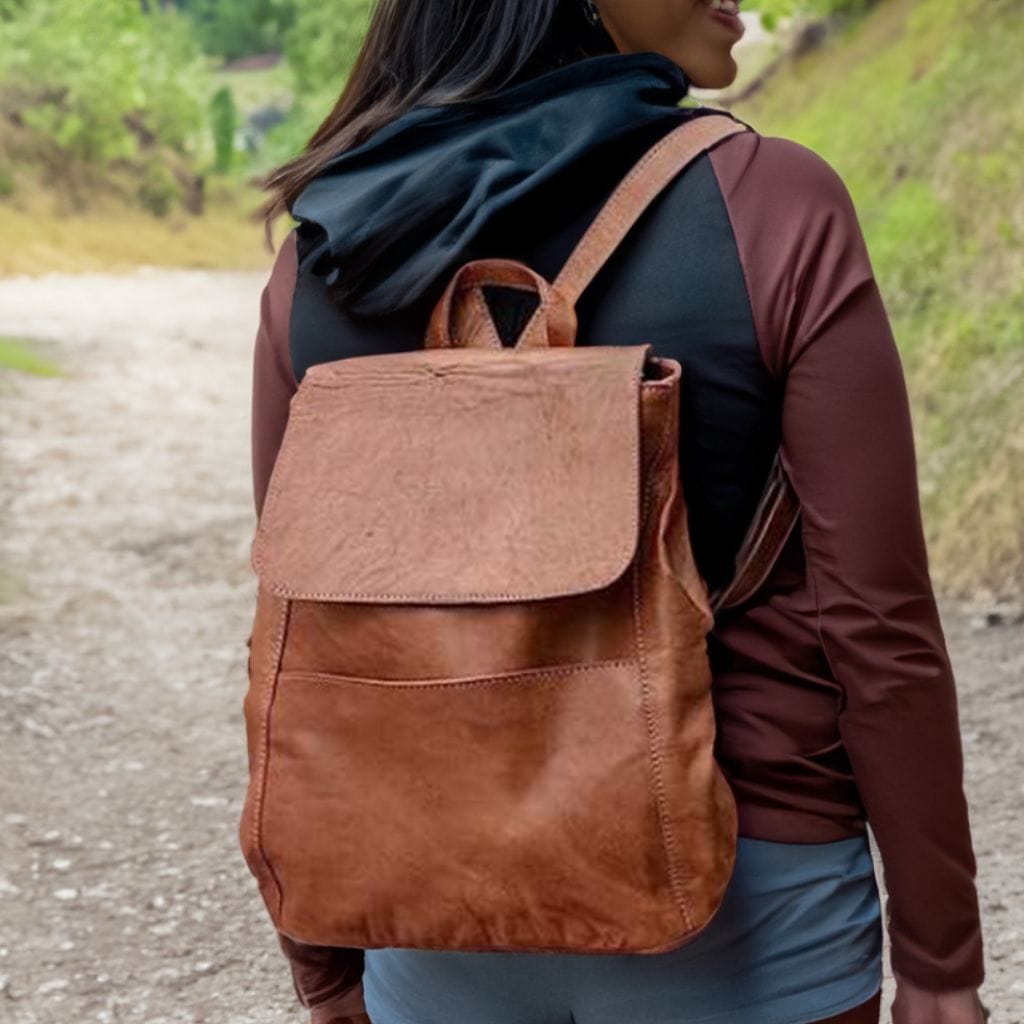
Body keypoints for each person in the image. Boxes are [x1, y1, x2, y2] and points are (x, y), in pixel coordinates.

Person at [248, 1, 986, 1022]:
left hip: (429, 909)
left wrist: (326, 972)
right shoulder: (768, 204)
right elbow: (880, 628)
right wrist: (942, 966)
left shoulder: (320, 255)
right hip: (750, 906)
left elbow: (302, 648)